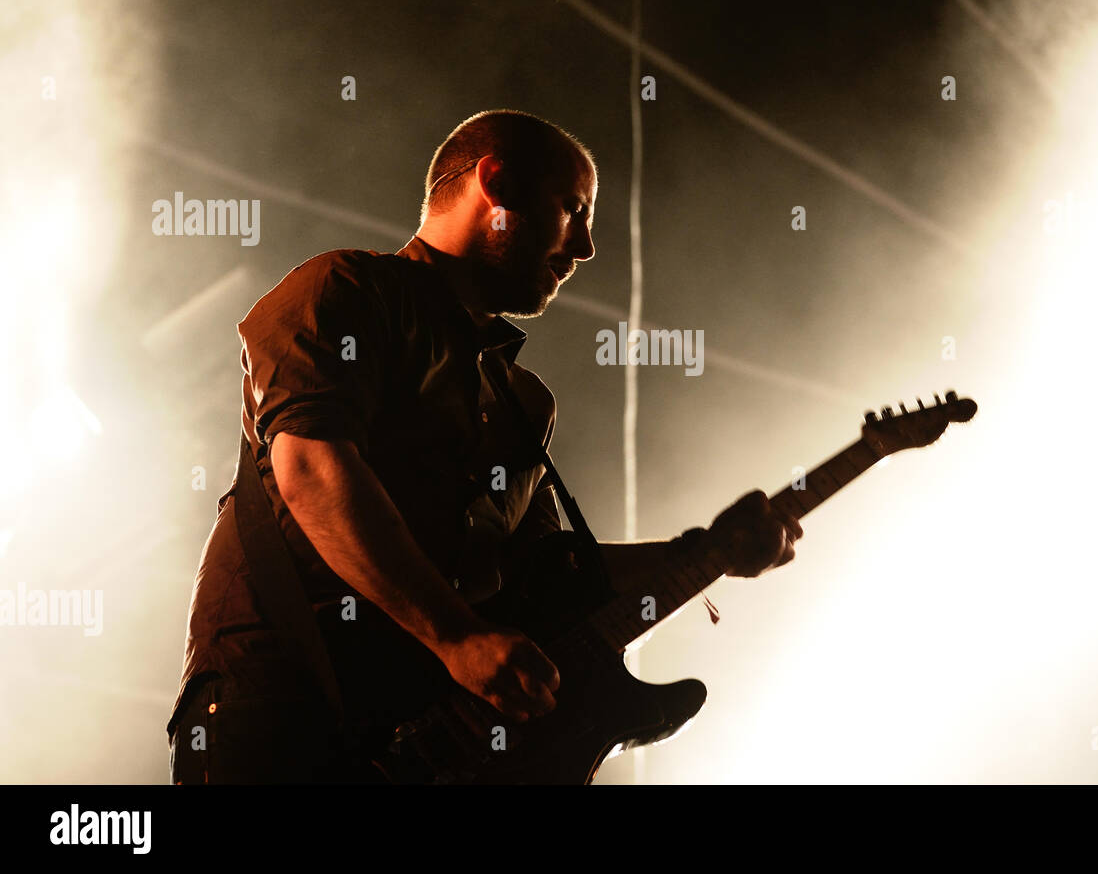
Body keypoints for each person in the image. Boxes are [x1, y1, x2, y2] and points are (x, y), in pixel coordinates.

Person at [166, 109, 802, 783]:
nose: (585, 247)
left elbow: (546, 580)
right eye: (572, 209)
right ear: (495, 181)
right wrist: (457, 638)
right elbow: (310, 466)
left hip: (424, 740)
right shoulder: (349, 290)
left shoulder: (525, 402)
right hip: (286, 720)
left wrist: (702, 553)